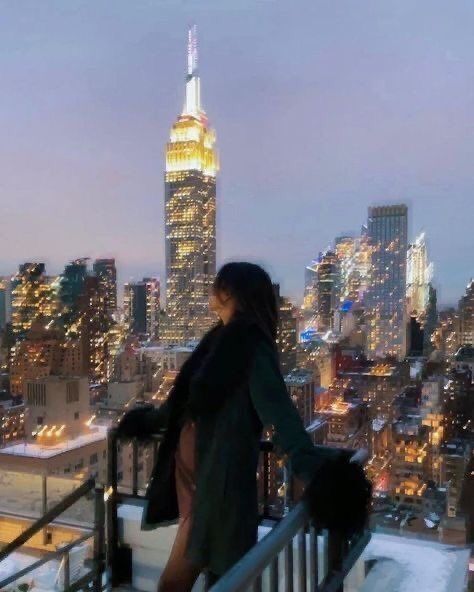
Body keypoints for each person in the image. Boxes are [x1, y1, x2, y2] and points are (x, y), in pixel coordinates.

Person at [116, 262, 371, 592]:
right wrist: (145, 422)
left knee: (185, 582)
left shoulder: (250, 349)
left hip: (219, 492)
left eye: (218, 285)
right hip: (199, 486)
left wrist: (317, 475)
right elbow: (181, 404)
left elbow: (281, 418)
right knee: (210, 578)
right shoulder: (219, 342)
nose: (211, 292)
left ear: (230, 292)